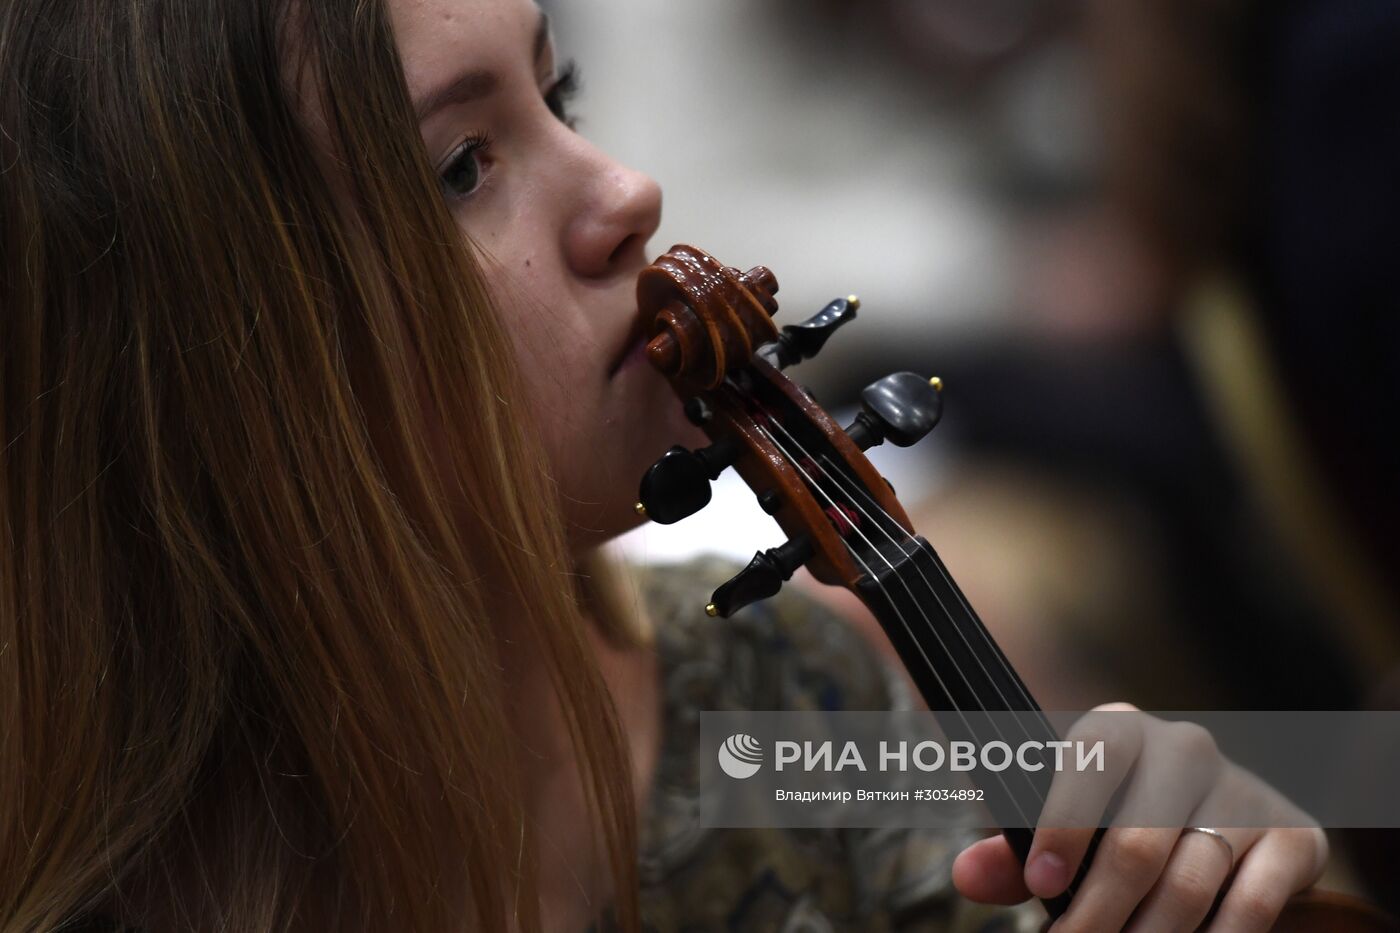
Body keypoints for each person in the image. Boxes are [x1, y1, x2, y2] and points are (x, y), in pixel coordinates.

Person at [0, 0, 1330, 930]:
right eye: (465, 165)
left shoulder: (791, 701)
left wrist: (1235, 855)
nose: (630, 189)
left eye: (559, 92)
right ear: (207, 380)